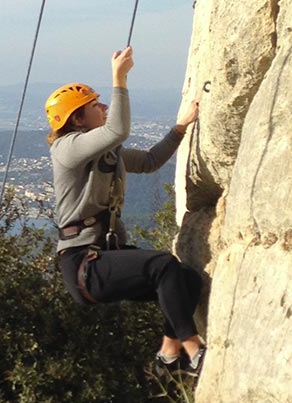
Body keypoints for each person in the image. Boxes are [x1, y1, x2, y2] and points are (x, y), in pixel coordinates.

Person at [46, 45, 206, 376]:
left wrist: (179, 129)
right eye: (94, 105)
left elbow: (148, 162)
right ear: (77, 119)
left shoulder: (108, 153)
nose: (103, 107)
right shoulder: (67, 149)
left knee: (185, 278)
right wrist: (119, 78)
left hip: (101, 257)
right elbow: (117, 129)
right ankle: (194, 350)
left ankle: (168, 354)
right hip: (83, 264)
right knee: (162, 265)